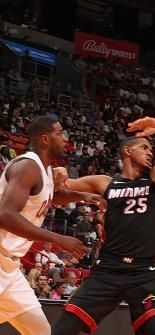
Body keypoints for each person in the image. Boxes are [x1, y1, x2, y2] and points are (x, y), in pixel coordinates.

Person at [52, 116, 155, 335]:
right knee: (63, 330)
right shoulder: (104, 182)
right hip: (107, 269)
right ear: (128, 152)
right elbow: (56, 195)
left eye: (151, 149)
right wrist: (56, 175)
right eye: (144, 147)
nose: (150, 152)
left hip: (145, 271)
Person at [0, 115, 104, 335]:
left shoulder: (44, 170)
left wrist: (85, 195)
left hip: (9, 268)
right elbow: (5, 215)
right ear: (45, 139)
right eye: (60, 133)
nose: (65, 138)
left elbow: (48, 196)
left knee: (41, 332)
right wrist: (58, 238)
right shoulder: (28, 166)